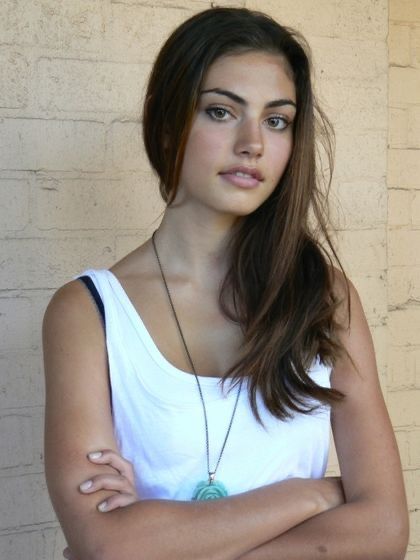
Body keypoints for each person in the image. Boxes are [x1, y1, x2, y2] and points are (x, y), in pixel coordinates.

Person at [42, 7, 409, 560]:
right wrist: (309, 496)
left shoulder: (326, 300)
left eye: (276, 120)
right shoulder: (88, 313)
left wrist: (165, 539)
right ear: (168, 123)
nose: (252, 143)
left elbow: (384, 532)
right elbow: (105, 545)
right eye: (220, 111)